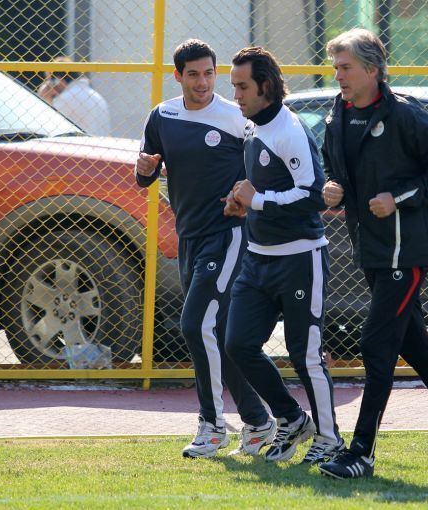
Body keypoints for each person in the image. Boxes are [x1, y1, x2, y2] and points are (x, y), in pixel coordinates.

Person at [316, 28, 428, 480]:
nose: (338, 75)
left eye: (345, 67)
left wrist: (398, 198)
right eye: (336, 68)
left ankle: (361, 452)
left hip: (406, 250)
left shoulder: (405, 116)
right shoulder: (337, 113)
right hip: (370, 246)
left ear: (372, 70)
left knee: (376, 344)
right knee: (413, 344)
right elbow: (333, 165)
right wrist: (332, 187)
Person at [135, 39, 275, 459]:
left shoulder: (237, 118)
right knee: (221, 335)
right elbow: (146, 173)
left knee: (196, 325)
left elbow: (263, 172)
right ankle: (261, 421)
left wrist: (245, 198)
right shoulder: (163, 116)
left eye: (209, 73)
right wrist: (144, 170)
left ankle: (212, 427)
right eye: (193, 74)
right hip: (190, 238)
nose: (202, 82)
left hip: (228, 235)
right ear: (178, 76)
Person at [224, 46, 344, 465]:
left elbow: (313, 196)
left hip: (299, 259)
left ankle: (329, 438)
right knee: (238, 344)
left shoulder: (290, 130)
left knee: (305, 354)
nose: (236, 95)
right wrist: (242, 202)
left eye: (243, 87)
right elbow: (264, 187)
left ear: (266, 86)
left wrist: (257, 200)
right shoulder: (253, 127)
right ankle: (292, 419)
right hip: (257, 258)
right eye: (234, 86)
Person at [38, 56, 111, 136]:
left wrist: (46, 98)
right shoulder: (97, 96)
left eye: (50, 81)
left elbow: (45, 125)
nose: (50, 85)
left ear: (58, 80)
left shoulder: (64, 99)